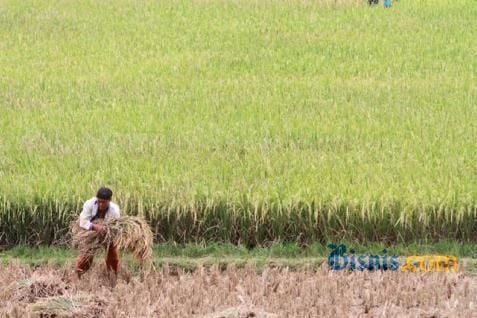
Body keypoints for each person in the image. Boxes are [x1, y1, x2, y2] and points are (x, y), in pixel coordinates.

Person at [75, 187, 121, 278]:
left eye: (103, 202)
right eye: (99, 201)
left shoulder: (115, 210)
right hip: (90, 232)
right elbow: (82, 222)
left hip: (107, 234)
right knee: (87, 254)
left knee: (112, 254)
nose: (100, 204)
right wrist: (94, 227)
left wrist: (106, 231)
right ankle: (79, 275)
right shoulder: (89, 204)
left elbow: (116, 226)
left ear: (109, 201)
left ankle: (112, 276)